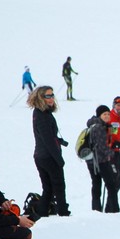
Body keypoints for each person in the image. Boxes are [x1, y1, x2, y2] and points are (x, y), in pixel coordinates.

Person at [28, 86, 70, 217]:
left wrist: (59, 141)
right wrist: (59, 159)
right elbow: (47, 140)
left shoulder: (41, 113)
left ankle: (42, 213)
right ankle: (63, 213)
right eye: (48, 96)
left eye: (52, 95)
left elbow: (47, 136)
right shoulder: (42, 115)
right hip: (47, 156)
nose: (51, 98)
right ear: (41, 97)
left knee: (48, 188)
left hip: (41, 156)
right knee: (58, 186)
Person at [85, 106, 120, 213]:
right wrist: (112, 153)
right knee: (112, 185)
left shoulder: (95, 125)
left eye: (108, 114)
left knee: (96, 185)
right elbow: (101, 146)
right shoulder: (99, 127)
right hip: (101, 161)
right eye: (104, 114)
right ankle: (113, 210)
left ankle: (96, 210)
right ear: (99, 115)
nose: (107, 116)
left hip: (91, 161)